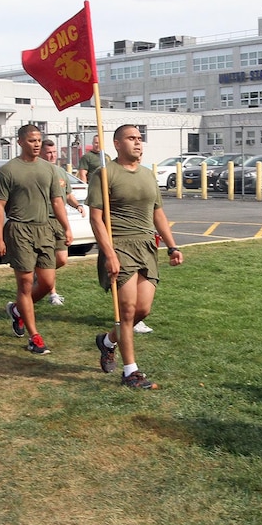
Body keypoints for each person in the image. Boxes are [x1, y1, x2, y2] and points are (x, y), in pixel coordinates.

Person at [88, 124, 183, 390]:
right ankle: (131, 372)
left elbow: (158, 214)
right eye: (131, 138)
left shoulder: (147, 175)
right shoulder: (104, 174)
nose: (137, 143)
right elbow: (97, 219)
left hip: (146, 247)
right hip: (119, 246)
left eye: (140, 139)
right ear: (117, 143)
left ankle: (107, 342)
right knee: (127, 311)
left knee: (143, 310)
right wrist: (109, 255)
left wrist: (173, 246)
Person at [0, 125, 70, 355]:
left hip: (44, 229)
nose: (36, 144)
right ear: (21, 142)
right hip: (19, 229)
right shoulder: (9, 170)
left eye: (39, 140)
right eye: (32, 140)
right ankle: (34, 337)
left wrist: (66, 227)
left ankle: (17, 311)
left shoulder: (49, 169)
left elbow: (57, 201)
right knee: (25, 284)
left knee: (46, 282)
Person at [41, 138, 85, 306]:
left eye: (54, 153)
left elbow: (67, 194)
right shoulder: (37, 171)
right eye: (48, 153)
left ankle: (42, 275)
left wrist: (77, 205)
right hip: (43, 221)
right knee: (48, 259)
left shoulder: (60, 172)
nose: (52, 156)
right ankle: (52, 293)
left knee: (61, 258)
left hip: (60, 221)